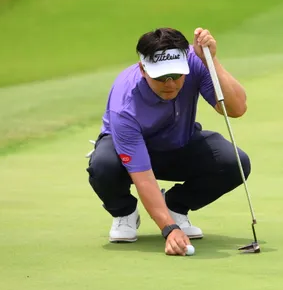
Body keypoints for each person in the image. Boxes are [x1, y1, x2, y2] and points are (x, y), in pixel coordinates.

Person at [86, 27, 251, 256]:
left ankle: (175, 205)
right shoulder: (125, 104)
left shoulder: (194, 62)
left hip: (179, 145)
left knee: (235, 162)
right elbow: (143, 176)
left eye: (176, 75)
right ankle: (124, 212)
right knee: (103, 165)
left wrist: (211, 61)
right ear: (143, 69)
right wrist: (169, 229)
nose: (170, 84)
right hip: (127, 154)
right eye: (161, 77)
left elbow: (236, 108)